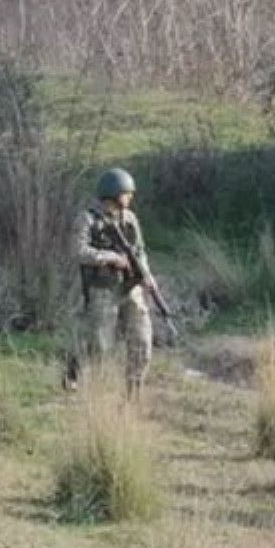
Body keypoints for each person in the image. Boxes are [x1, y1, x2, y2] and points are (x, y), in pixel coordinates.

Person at [68, 167, 155, 400]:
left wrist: (146, 275)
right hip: (102, 290)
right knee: (100, 345)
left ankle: (133, 393)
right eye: (127, 193)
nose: (131, 197)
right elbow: (78, 251)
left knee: (142, 338)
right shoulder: (88, 219)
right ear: (114, 193)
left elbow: (140, 251)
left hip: (130, 287)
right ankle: (78, 375)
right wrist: (111, 257)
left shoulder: (130, 219)